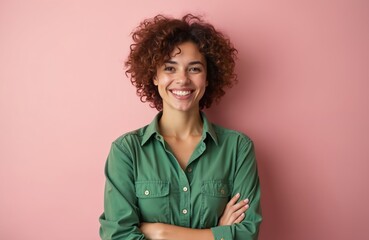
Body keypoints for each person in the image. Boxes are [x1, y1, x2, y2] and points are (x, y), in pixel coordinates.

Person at [99, 14, 262, 240]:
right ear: (154, 76)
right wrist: (216, 234)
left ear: (208, 77)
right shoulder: (127, 151)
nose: (182, 79)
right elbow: (117, 236)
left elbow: (246, 234)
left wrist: (161, 232)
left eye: (194, 69)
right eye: (170, 68)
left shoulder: (237, 148)